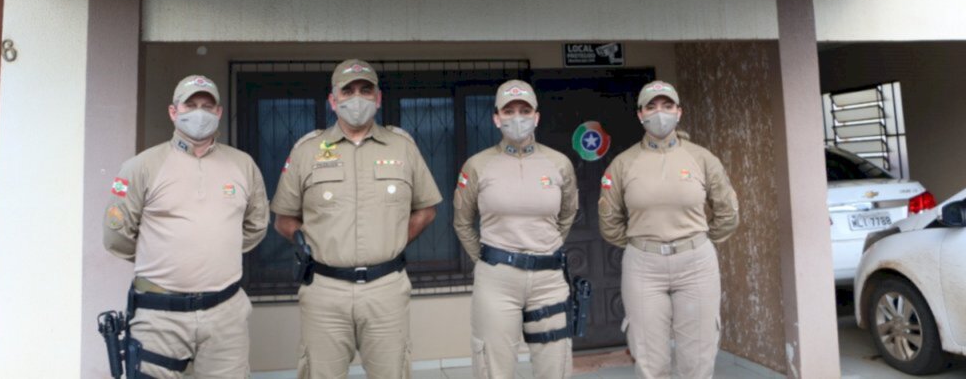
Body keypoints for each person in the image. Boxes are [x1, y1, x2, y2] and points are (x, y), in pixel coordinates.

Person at [271, 59, 443, 379]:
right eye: (348, 91)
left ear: (378, 98)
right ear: (333, 100)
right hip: (324, 290)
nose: (357, 98)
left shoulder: (402, 147)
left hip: (386, 289)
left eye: (365, 90)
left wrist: (394, 238)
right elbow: (283, 218)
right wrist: (305, 242)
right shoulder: (307, 151)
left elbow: (426, 209)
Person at [103, 74, 270, 378]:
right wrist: (164, 258)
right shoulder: (142, 166)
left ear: (219, 112)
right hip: (159, 316)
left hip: (225, 314)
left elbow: (256, 225)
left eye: (207, 106)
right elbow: (117, 237)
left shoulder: (242, 164)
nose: (199, 113)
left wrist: (216, 252)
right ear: (173, 111)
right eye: (190, 105)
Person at [598, 80, 739, 379]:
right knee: (650, 360)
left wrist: (698, 242)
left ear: (679, 112)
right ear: (640, 114)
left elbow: (727, 212)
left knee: (697, 361)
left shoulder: (702, 159)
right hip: (644, 267)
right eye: (651, 107)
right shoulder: (623, 164)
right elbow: (609, 223)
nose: (659, 113)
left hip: (696, 265)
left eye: (667, 105)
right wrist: (642, 244)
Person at [453, 79, 579, 379]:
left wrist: (544, 247)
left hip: (548, 280)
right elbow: (462, 221)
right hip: (497, 280)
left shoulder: (559, 163)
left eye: (524, 111)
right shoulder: (477, 165)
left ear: (537, 116)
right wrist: (486, 260)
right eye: (509, 111)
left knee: (556, 366)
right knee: (493, 368)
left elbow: (568, 213)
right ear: (496, 118)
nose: (517, 118)